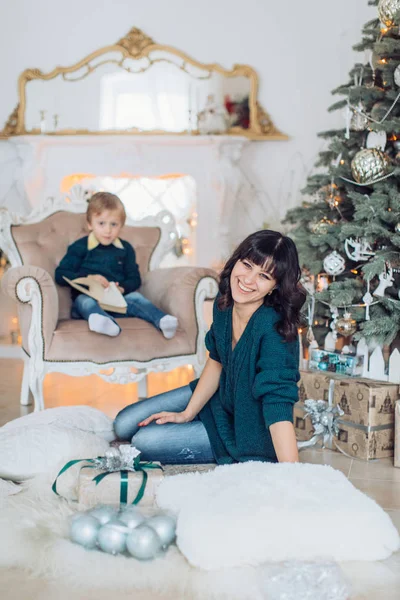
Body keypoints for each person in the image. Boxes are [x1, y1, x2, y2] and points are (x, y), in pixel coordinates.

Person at [114, 230, 306, 464]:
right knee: (123, 423)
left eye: (263, 276)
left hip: (245, 433)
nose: (248, 280)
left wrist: (294, 476)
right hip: (220, 399)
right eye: (246, 265)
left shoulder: (274, 329)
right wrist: (187, 413)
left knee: (144, 441)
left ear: (275, 286)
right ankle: (195, 421)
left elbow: (278, 405)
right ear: (236, 261)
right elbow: (217, 361)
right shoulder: (225, 303)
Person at [55, 191, 178, 339]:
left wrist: (122, 288)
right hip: (87, 301)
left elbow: (134, 278)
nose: (108, 230)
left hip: (118, 303)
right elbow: (61, 274)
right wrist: (89, 278)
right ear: (90, 224)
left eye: (114, 224)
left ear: (121, 226)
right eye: (101, 223)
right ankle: (101, 321)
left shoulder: (125, 249)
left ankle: (163, 321)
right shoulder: (80, 247)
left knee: (137, 298)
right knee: (84, 301)